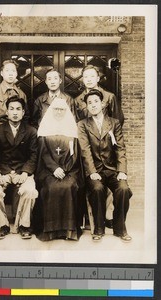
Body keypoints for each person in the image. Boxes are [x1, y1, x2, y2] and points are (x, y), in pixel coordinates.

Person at [78, 89, 132, 242]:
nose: (93, 105)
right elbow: (85, 150)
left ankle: (119, 228)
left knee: (123, 189)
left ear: (102, 104)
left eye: (96, 101)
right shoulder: (82, 125)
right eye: (89, 103)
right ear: (87, 107)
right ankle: (99, 228)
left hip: (112, 169)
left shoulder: (113, 123)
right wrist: (92, 172)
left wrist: (122, 170)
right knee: (97, 188)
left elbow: (120, 148)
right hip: (95, 171)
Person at [75, 64, 124, 229]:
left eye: (92, 76)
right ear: (83, 80)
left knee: (111, 184)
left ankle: (108, 216)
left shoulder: (109, 97)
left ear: (98, 78)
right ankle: (92, 218)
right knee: (92, 183)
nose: (88, 79)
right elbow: (78, 124)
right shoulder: (78, 100)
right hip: (88, 147)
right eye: (85, 77)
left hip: (106, 147)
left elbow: (118, 120)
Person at [0, 95, 38, 239]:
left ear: (23, 112)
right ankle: (3, 225)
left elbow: (34, 156)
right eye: (12, 109)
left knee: (30, 190)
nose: (15, 112)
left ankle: (24, 225)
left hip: (23, 171)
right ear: (7, 112)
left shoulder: (31, 131)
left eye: (18, 109)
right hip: (3, 172)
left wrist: (26, 173)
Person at [35, 97, 84, 241]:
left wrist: (65, 169)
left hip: (69, 171)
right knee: (50, 187)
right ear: (51, 110)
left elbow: (74, 155)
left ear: (66, 111)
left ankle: (69, 231)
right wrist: (54, 168)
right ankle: (50, 231)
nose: (58, 112)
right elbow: (43, 154)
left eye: (62, 110)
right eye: (56, 109)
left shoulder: (71, 130)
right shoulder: (44, 129)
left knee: (69, 186)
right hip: (48, 170)